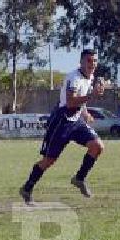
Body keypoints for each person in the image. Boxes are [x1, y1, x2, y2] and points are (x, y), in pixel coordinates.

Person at [19, 49, 106, 206]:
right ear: (81, 62)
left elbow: (80, 101)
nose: (92, 64)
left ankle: (79, 178)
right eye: (88, 61)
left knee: (97, 146)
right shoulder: (73, 78)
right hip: (62, 121)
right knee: (49, 160)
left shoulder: (90, 77)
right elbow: (71, 102)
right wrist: (92, 95)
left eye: (94, 61)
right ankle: (27, 188)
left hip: (76, 121)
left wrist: (85, 114)